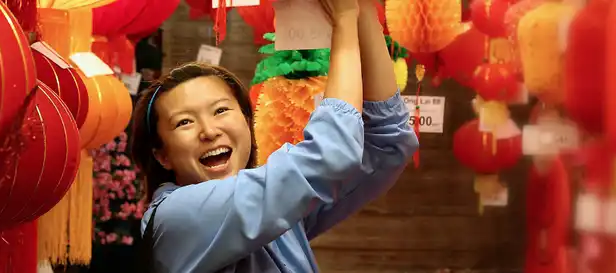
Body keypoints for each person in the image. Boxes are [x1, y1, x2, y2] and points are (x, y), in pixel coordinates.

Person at [127, 0, 417, 271]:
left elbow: (387, 142)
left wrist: (363, 11)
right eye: (185, 122)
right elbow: (331, 157)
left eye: (220, 111)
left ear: (247, 122)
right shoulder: (177, 217)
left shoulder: (270, 206)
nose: (210, 131)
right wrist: (343, 19)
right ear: (161, 155)